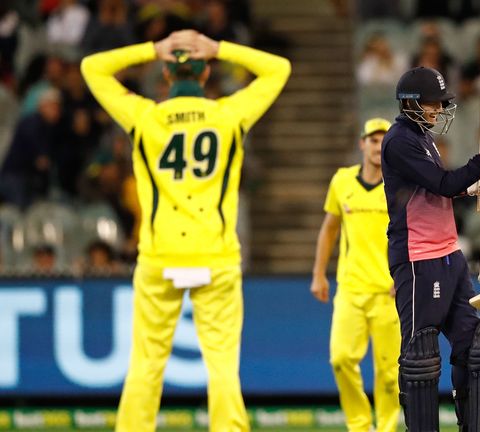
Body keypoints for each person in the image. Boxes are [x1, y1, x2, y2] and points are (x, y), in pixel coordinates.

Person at [81, 29, 290, 431]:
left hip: (160, 256)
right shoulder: (229, 115)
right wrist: (218, 47)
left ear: (165, 75)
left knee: (146, 363)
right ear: (207, 73)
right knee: (223, 365)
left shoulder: (144, 115)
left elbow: (93, 67)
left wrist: (153, 47)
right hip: (216, 255)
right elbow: (278, 69)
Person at [382, 66, 480, 431]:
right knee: (421, 355)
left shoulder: (422, 137)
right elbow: (442, 184)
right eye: (432, 104)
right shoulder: (399, 140)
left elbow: (438, 189)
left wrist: (475, 187)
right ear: (411, 103)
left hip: (448, 254)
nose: (437, 110)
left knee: (475, 347)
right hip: (419, 258)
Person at [309, 118, 400, 432]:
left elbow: (414, 233)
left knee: (389, 374)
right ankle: (360, 424)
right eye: (372, 140)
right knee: (341, 359)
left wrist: (405, 277)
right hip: (350, 289)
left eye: (383, 140)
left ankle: (386, 427)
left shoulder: (399, 183)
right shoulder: (342, 181)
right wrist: (319, 274)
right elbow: (330, 229)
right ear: (362, 144)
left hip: (388, 292)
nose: (377, 146)